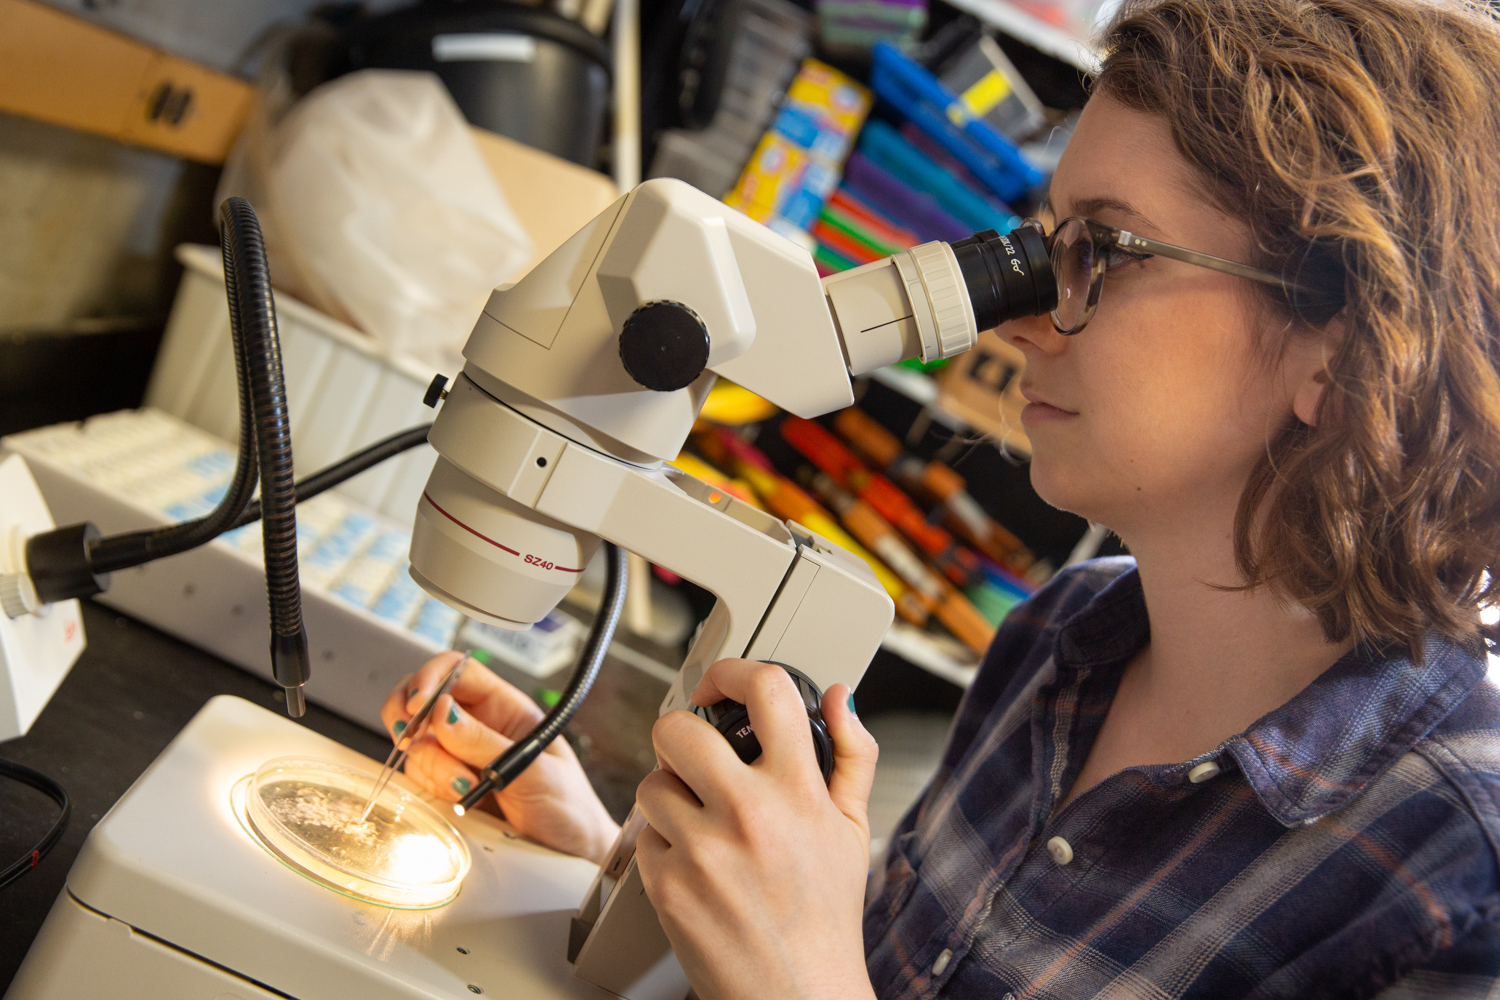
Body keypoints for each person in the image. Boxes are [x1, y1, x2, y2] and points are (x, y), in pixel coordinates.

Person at [382, 0, 1500, 995]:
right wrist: (632, 872)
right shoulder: (1063, 640)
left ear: (1341, 346)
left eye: (1102, 249)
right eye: (1047, 245)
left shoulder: (1455, 873)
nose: (1018, 320)